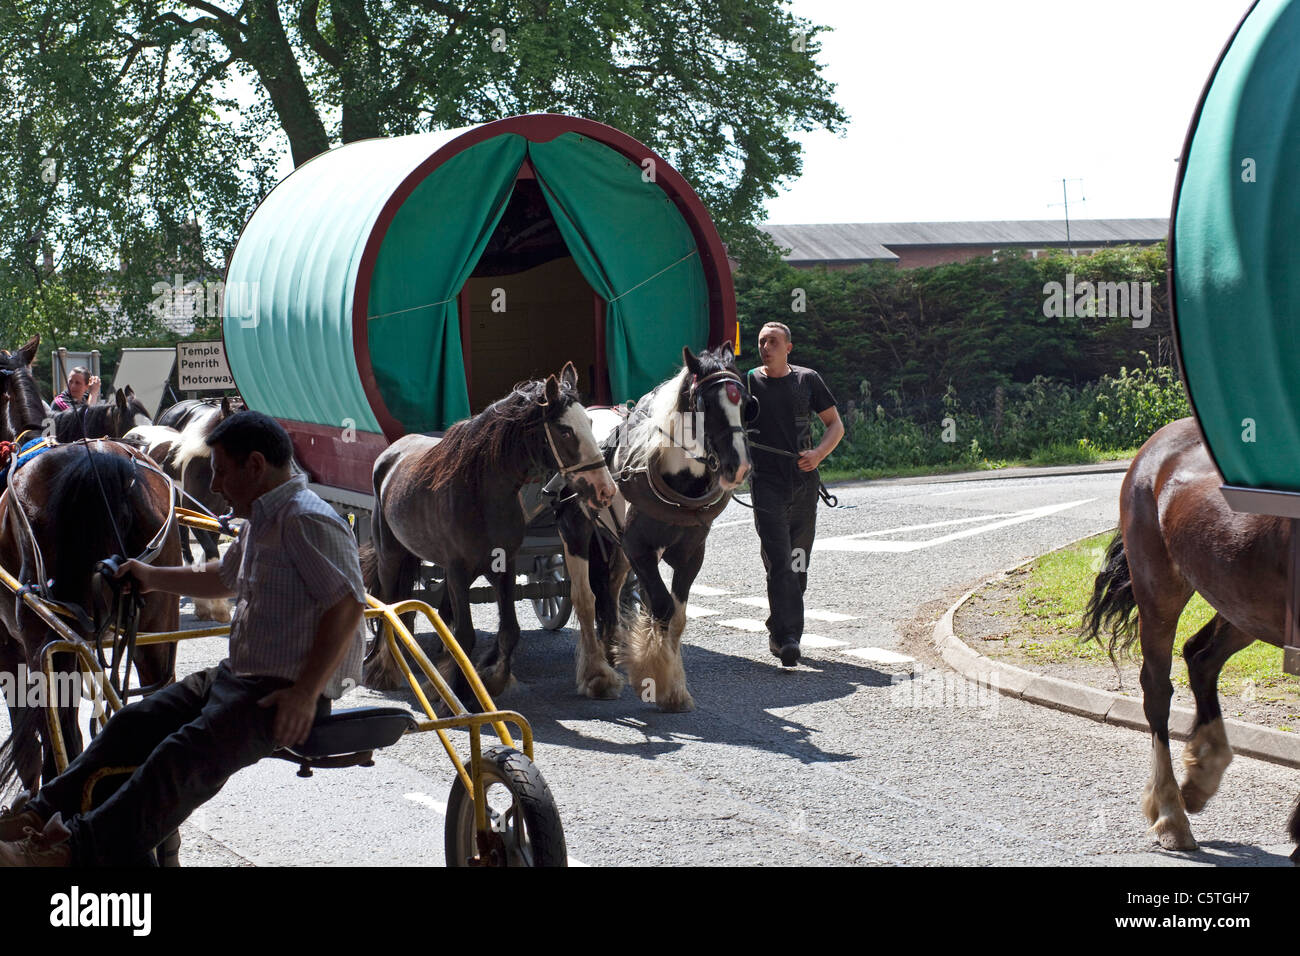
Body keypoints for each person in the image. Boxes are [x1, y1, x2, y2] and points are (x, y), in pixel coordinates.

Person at [0, 410, 366, 866]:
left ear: (255, 466)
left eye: (220, 471)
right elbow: (224, 575)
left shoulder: (306, 519)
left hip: (278, 693)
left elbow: (347, 604)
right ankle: (40, 813)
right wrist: (152, 576)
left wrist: (305, 694)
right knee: (130, 725)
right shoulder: (265, 519)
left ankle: (72, 852)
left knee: (176, 760)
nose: (213, 487)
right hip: (239, 677)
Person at [746, 322, 844, 668]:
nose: (765, 347)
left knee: (799, 562)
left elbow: (835, 425)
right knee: (779, 559)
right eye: (761, 342)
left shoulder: (807, 379)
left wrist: (818, 454)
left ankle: (778, 624)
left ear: (788, 347)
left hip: (804, 483)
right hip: (766, 483)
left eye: (772, 341)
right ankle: (789, 639)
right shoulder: (748, 383)